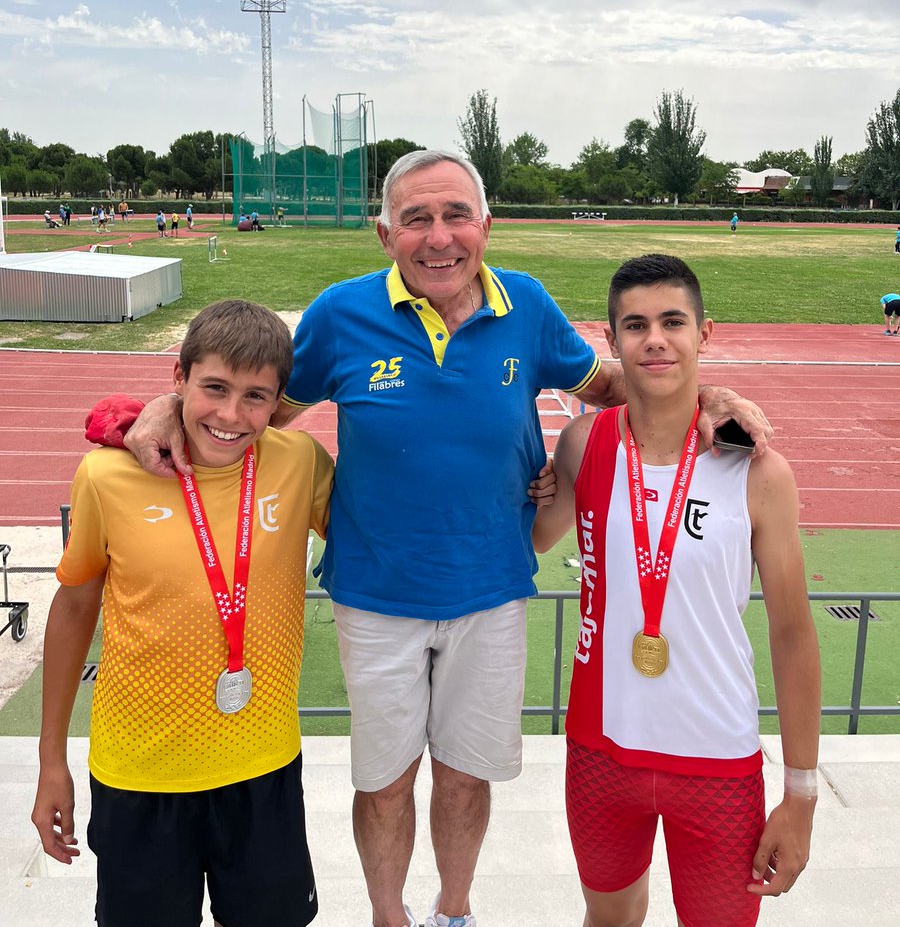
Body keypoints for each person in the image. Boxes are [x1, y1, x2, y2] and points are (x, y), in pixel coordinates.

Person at [84, 151, 772, 927]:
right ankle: (389, 916)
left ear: (486, 226)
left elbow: (617, 388)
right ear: (386, 235)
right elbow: (250, 410)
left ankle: (453, 911)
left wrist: (709, 394)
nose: (438, 237)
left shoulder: (527, 305)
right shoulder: (342, 314)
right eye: (416, 219)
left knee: (466, 776)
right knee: (383, 783)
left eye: (455, 216)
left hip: (492, 588)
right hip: (376, 594)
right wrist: (156, 409)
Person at [533, 254, 820, 927]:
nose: (655, 340)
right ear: (612, 339)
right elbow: (538, 536)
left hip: (716, 759)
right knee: (609, 918)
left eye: (673, 322)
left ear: (704, 333)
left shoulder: (757, 469)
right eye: (635, 325)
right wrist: (534, 484)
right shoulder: (581, 445)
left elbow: (792, 633)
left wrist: (801, 794)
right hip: (601, 751)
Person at [31, 300, 332, 927]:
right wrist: (51, 761)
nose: (230, 415)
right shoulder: (107, 474)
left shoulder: (299, 463)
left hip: (262, 766)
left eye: (255, 397)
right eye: (213, 388)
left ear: (278, 402)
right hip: (138, 772)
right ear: (178, 379)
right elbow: (75, 606)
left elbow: (392, 521)